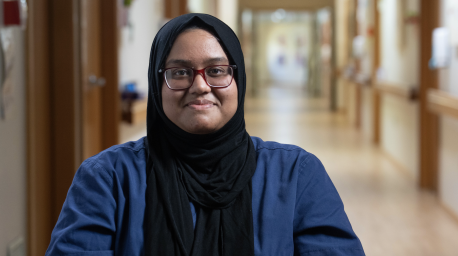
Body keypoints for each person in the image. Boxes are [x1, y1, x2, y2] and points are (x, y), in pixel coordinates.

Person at [46, 13, 364, 256]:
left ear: (238, 78)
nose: (200, 86)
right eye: (180, 72)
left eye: (216, 70)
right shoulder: (107, 179)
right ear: (158, 85)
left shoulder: (296, 175)